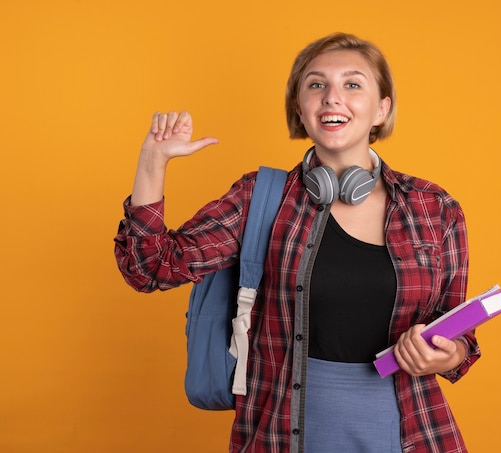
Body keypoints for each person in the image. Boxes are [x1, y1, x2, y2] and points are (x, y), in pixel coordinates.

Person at [115, 32, 481, 453]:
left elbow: (460, 334)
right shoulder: (262, 199)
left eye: (353, 84)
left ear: (382, 109)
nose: (332, 98)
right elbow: (149, 268)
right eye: (316, 84)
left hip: (408, 430)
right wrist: (152, 163)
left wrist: (447, 354)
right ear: (299, 108)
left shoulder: (434, 209)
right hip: (282, 433)